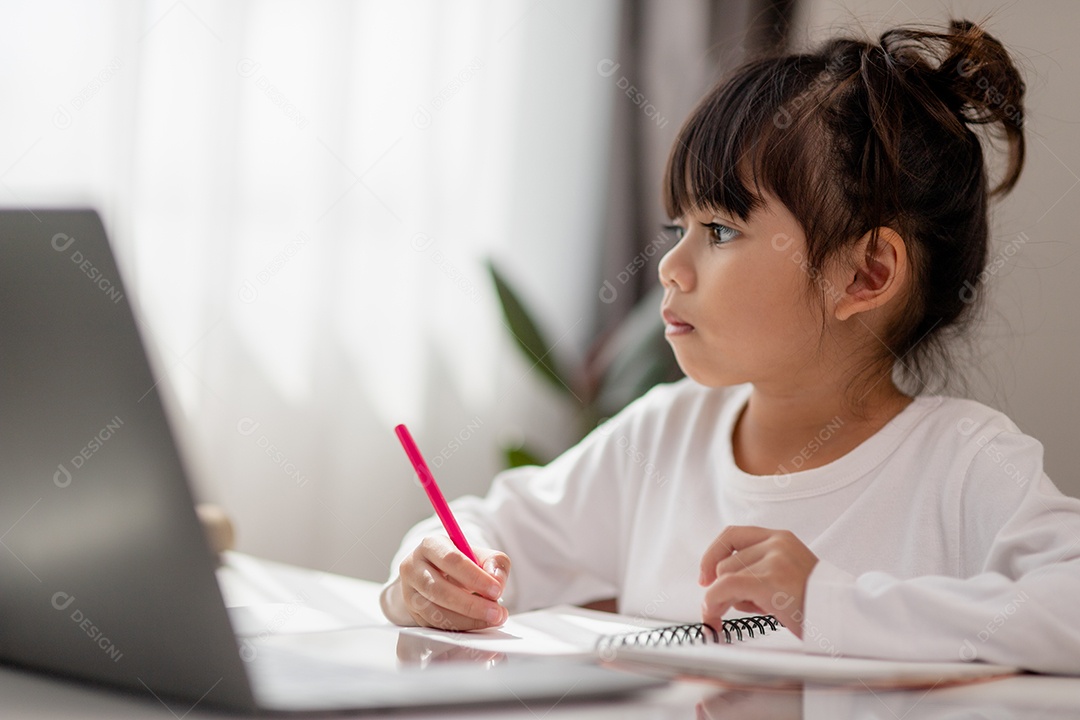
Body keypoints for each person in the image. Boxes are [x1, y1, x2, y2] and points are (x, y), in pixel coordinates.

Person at [380, 19, 1080, 674]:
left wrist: (829, 602)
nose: (669, 268)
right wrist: (429, 569)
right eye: (675, 228)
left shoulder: (962, 464)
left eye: (718, 231)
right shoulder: (661, 437)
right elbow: (490, 528)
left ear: (864, 275)